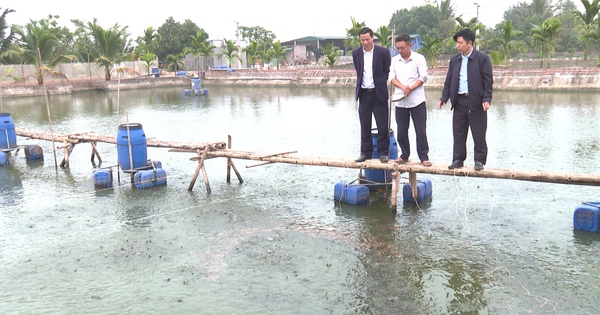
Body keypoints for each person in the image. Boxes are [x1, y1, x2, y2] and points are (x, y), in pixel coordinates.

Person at [437, 29, 493, 171]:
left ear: (470, 43)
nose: (458, 45)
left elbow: (488, 82)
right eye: (457, 43)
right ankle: (458, 159)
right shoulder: (455, 60)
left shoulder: (482, 58)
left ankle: (479, 160)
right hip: (459, 102)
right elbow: (448, 81)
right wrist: (444, 98)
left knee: (479, 132)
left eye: (460, 43)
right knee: (459, 132)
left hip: (476, 102)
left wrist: (487, 99)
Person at [387, 34, 431, 167]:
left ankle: (424, 156)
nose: (400, 51)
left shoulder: (419, 59)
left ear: (410, 45)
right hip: (400, 101)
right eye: (398, 48)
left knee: (420, 130)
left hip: (417, 101)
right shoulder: (395, 60)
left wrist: (410, 88)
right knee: (402, 130)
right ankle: (404, 155)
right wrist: (403, 87)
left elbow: (423, 77)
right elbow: (391, 78)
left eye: (402, 48)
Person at [352, 27, 392, 163]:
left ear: (372, 37)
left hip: (378, 92)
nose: (365, 42)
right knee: (365, 124)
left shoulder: (383, 52)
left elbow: (387, 70)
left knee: (382, 125)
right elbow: (359, 70)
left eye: (367, 39)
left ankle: (383, 153)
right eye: (362, 40)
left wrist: (381, 83)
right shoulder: (356, 53)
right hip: (363, 93)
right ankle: (365, 152)